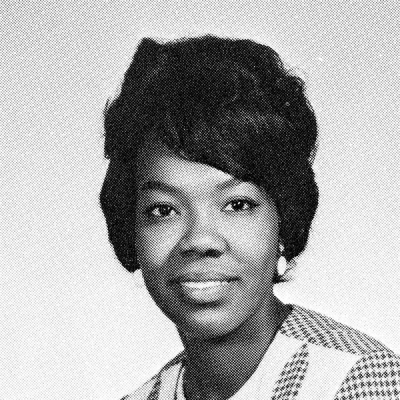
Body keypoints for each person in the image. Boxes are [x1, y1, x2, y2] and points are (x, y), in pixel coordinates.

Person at [100, 35, 400, 400]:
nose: (200, 241)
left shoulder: (357, 380)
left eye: (237, 205)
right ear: (130, 229)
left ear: (284, 219)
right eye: (163, 210)